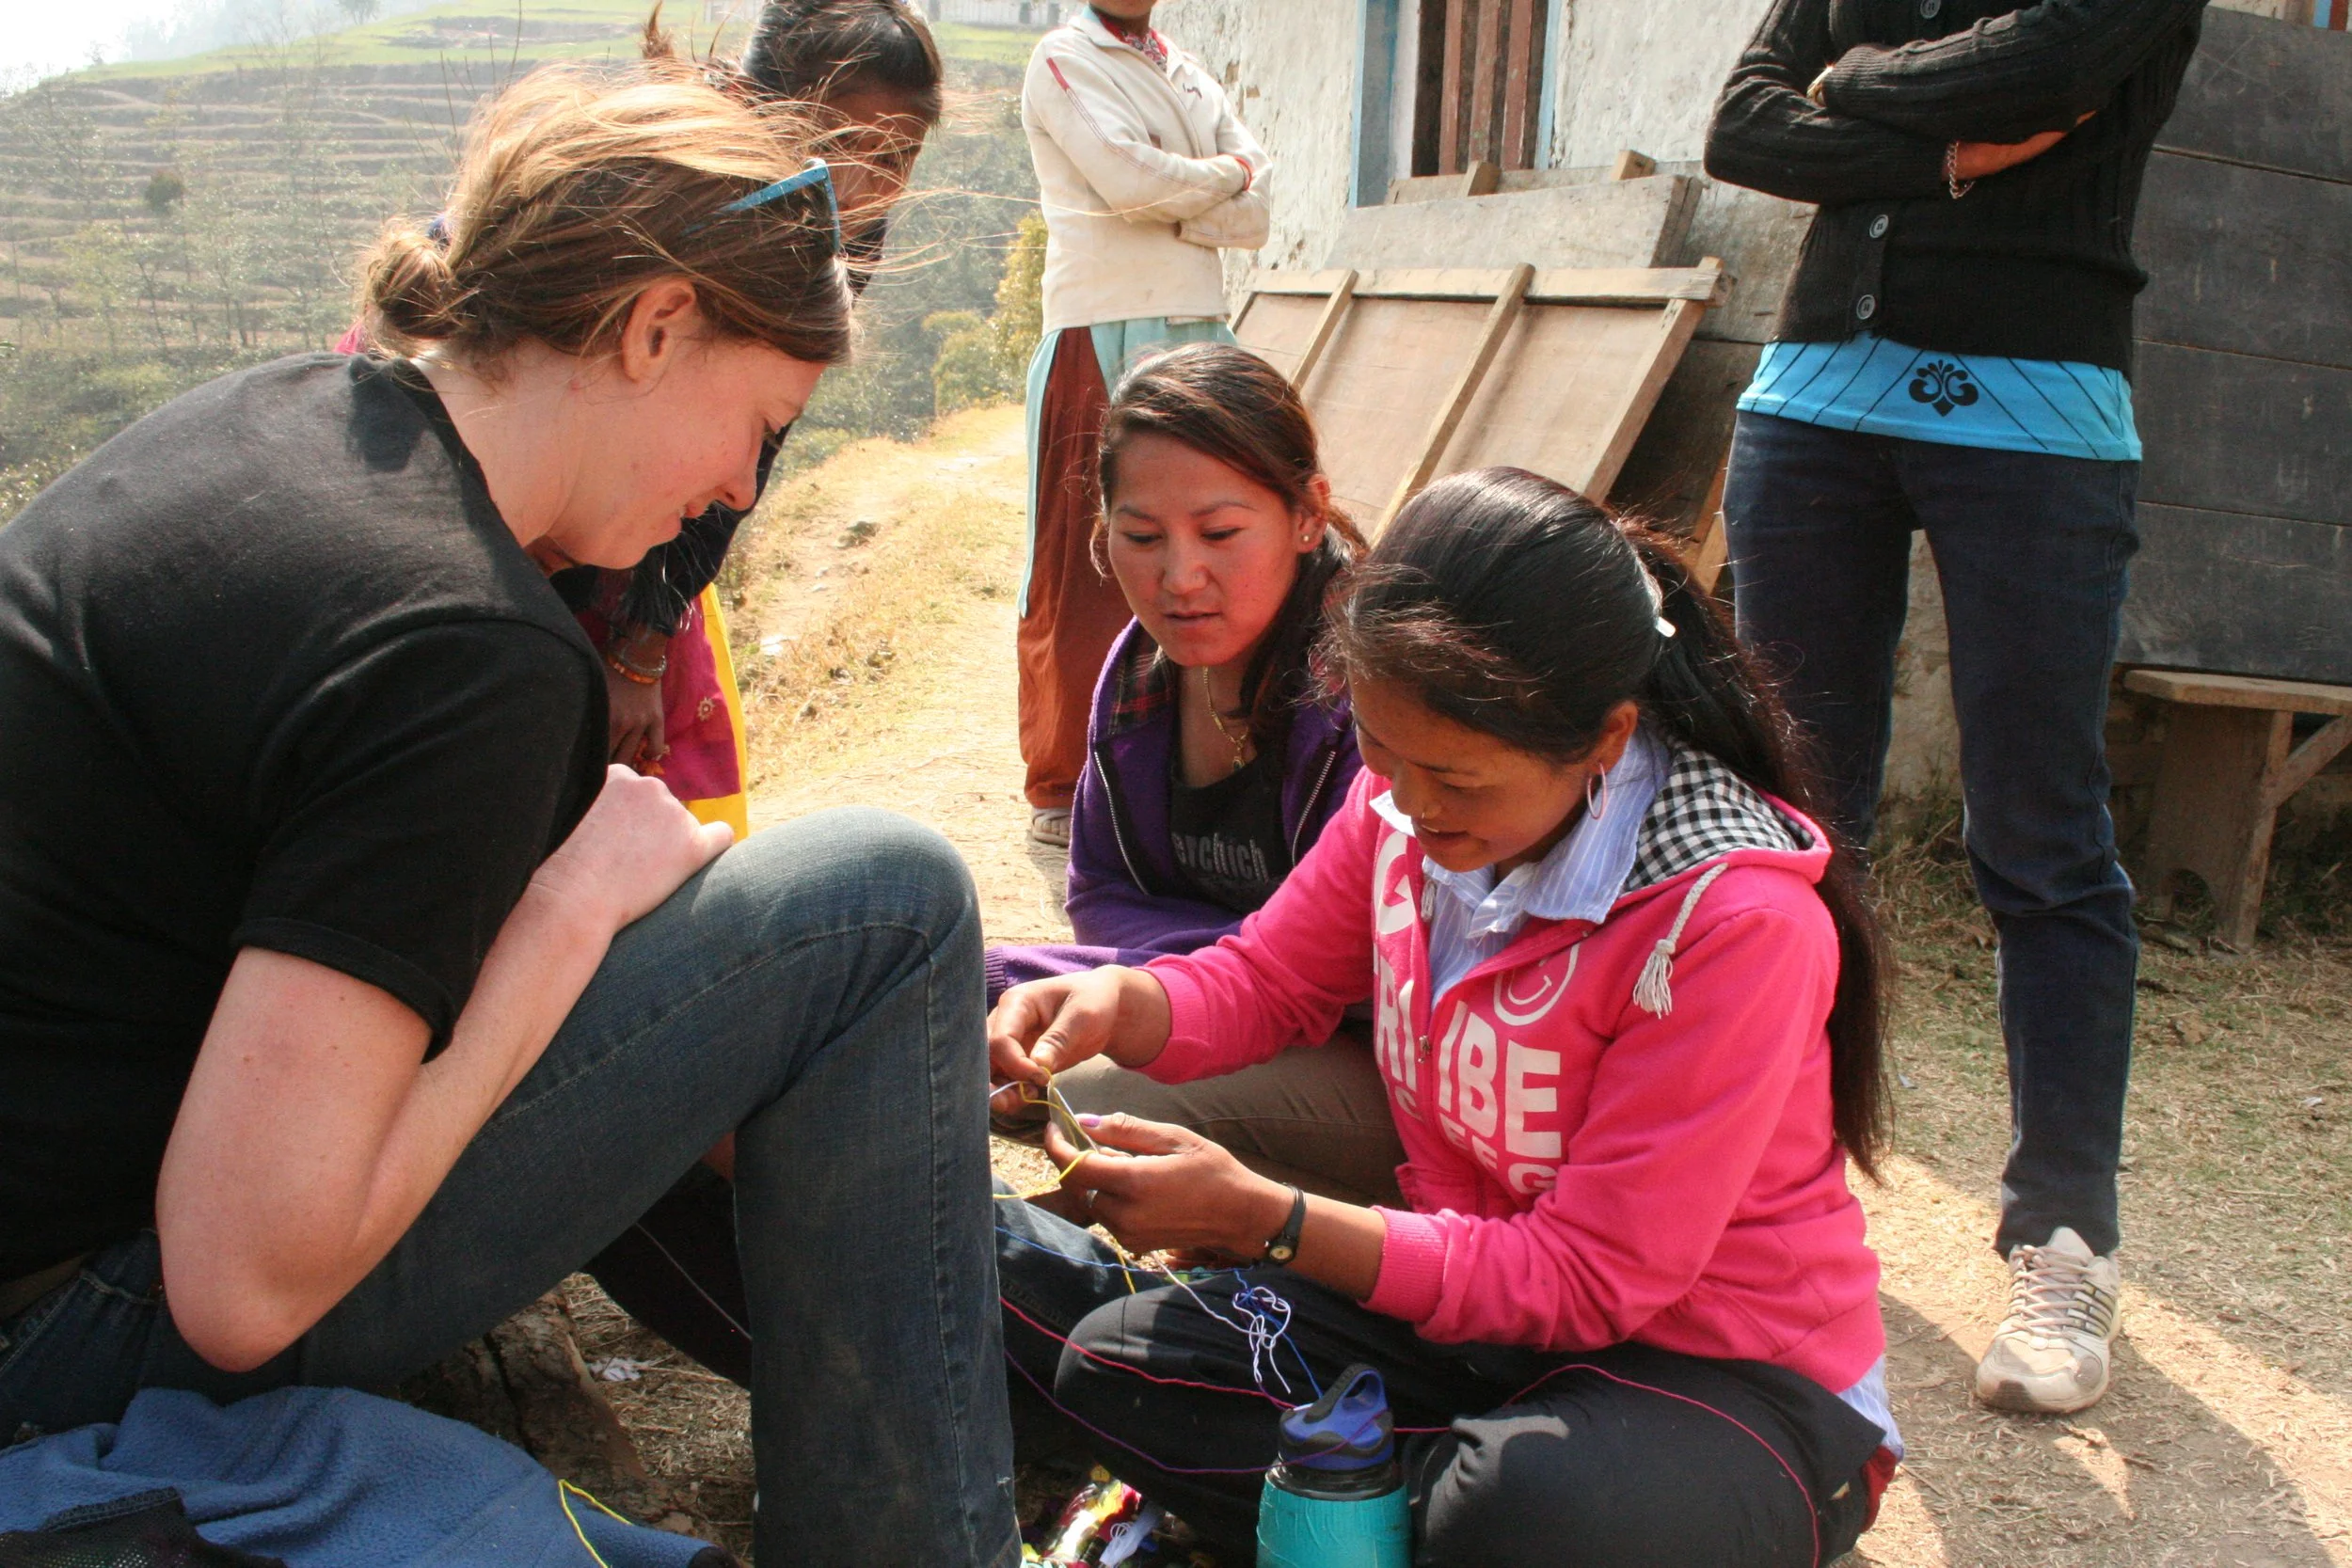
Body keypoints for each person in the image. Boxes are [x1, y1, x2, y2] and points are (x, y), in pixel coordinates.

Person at [0, 62, 1016, 1567]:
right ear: (655, 325)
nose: (739, 483)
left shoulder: (299, 415)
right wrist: (569, 910)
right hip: (64, 1329)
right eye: (756, 421)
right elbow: (241, 1283)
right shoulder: (461, 641)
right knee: (885, 901)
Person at [989, 468, 1902, 1566]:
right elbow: (1265, 980)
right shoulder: (1399, 818)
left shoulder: (1729, 922)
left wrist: (1271, 1221)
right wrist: (1116, 1001)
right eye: (1380, 751)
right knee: (1126, 1363)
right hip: (1481, 1331)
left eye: (1458, 780)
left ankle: (1452, 1513)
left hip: (1718, 1375)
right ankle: (1420, 1515)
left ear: (1605, 739)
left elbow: (1588, 1276)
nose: (1413, 807)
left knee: (1528, 1509)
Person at [1704, 0, 2206, 1416]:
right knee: (1787, 824)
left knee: (2041, 833)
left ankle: (2063, 1236)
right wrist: (1942, 156)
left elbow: (2053, 64)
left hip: (2042, 419)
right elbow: (1742, 123)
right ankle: (1766, 1187)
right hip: (1812, 408)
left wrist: (1854, 87)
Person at [987, 343, 1400, 1207]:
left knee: (1093, 1098)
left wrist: (1170, 981)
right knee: (971, 1024)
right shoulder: (1139, 675)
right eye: (1141, 537)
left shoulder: (1369, 698)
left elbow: (1349, 968)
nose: (1180, 579)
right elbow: (1099, 891)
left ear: (1306, 515)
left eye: (1219, 534)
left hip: (1382, 1062)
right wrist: (1200, 970)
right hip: (1212, 1004)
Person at [551, 0, 946, 838]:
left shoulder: (840, 227)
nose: (871, 187)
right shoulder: (673, 188)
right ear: (757, 102)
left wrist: (644, 642)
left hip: (657, 537)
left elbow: (744, 459)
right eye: (847, 148)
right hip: (547, 504)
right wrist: (617, 650)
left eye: (900, 159)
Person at [1016, 0, 1271, 847]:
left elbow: (1257, 208)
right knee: (1088, 558)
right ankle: (1064, 781)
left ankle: (1178, 763)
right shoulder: (1063, 59)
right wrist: (1219, 178)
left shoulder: (1183, 68)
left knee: (1205, 553)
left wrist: (1178, 191)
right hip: (1103, 325)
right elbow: (1127, 184)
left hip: (1201, 328)